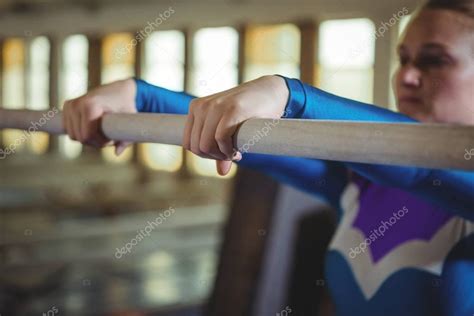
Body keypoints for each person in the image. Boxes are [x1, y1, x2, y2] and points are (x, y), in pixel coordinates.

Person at [62, 0, 474, 314]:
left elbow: (422, 169)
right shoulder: (358, 184)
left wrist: (289, 95)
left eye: (434, 60)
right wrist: (140, 96)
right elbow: (254, 144)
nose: (406, 75)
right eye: (402, 58)